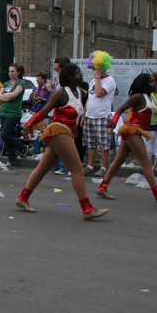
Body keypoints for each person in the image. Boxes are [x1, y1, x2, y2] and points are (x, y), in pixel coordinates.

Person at [16, 63, 109, 220]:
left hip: (67, 134)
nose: (82, 75)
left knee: (42, 169)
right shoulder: (60, 94)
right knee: (78, 169)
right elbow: (43, 112)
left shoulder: (81, 93)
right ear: (71, 76)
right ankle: (87, 209)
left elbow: (86, 107)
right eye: (78, 73)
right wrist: (29, 125)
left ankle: (22, 199)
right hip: (58, 130)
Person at [96, 73, 157, 205]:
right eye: (151, 82)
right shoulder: (138, 97)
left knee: (118, 161)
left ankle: (102, 187)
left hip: (136, 132)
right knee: (147, 162)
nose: (154, 83)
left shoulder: (147, 97)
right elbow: (121, 109)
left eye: (154, 81)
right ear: (144, 84)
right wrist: (113, 123)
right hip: (131, 130)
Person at [83, 51, 117, 177]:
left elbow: (99, 93)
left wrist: (98, 78)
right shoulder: (93, 81)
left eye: (96, 68)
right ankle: (90, 166)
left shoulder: (109, 80)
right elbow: (90, 98)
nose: (94, 70)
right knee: (91, 144)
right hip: (90, 116)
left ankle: (103, 168)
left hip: (102, 116)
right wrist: (84, 114)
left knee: (104, 144)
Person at [0, 63, 27, 169]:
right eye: (9, 71)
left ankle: (22, 147)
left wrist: (7, 96)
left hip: (13, 113)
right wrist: (7, 97)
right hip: (4, 112)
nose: (11, 73)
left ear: (18, 72)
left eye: (13, 71)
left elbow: (14, 95)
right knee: (7, 136)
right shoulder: (5, 84)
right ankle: (12, 160)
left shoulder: (21, 83)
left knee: (4, 135)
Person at [28, 72, 51, 155]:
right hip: (34, 112)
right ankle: (36, 149)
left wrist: (42, 99)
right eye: (37, 78)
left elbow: (49, 101)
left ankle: (43, 147)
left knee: (41, 131)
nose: (37, 80)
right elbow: (29, 101)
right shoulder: (35, 89)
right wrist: (31, 97)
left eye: (39, 79)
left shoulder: (46, 89)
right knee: (35, 132)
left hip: (42, 113)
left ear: (44, 80)